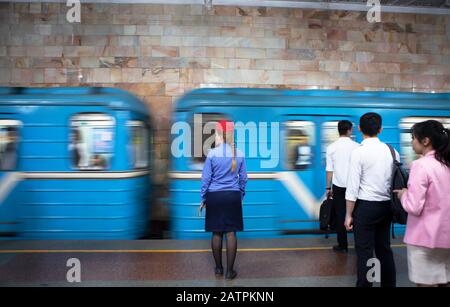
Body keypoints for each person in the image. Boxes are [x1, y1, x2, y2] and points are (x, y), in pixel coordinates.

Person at [344, 112, 398, 287]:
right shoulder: (392, 151)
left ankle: (366, 285)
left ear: (359, 129)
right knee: (384, 249)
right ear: (380, 129)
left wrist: (348, 215)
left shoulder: (358, 153)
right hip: (386, 207)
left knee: (365, 251)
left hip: (366, 208)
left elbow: (352, 188)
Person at [394, 120, 450, 287]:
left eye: (413, 138)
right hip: (447, 235)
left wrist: (404, 194)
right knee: (445, 281)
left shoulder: (421, 165)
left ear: (425, 141)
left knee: (426, 284)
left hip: (425, 239)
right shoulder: (447, 163)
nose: (411, 142)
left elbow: (414, 206)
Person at [200, 119, 248, 280]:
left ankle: (219, 269)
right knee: (231, 233)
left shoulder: (212, 154)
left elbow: (205, 179)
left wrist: (203, 198)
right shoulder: (239, 154)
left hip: (214, 196)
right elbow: (244, 179)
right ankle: (230, 272)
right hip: (232, 196)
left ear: (219, 134)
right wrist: (239, 194)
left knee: (216, 232)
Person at [325, 120, 359, 253]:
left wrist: (328, 188)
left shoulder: (331, 148)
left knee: (340, 215)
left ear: (338, 131)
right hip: (355, 186)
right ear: (350, 130)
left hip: (338, 186)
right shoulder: (357, 146)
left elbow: (329, 170)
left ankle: (342, 246)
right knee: (356, 215)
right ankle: (359, 245)